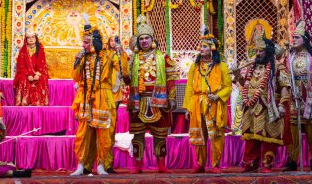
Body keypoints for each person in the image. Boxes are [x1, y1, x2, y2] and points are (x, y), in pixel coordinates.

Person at [70, 17, 130, 176]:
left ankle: (103, 165)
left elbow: (124, 72)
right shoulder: (84, 57)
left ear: (95, 42)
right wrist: (77, 61)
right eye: (83, 42)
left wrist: (120, 53)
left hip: (104, 96)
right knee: (83, 134)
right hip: (86, 98)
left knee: (104, 134)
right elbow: (76, 77)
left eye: (86, 42)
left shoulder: (109, 56)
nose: (83, 45)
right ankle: (82, 166)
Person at [233, 27, 291, 173]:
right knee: (251, 136)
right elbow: (244, 84)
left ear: (268, 52)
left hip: (269, 105)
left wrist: (283, 105)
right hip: (252, 106)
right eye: (256, 51)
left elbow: (285, 85)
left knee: (268, 136)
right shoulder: (252, 66)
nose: (257, 54)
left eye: (260, 51)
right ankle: (251, 164)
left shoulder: (277, 66)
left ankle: (267, 164)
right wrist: (237, 74)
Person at [128, 14, 179, 174]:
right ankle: (137, 166)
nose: (144, 41)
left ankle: (161, 166)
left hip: (159, 100)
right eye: (141, 38)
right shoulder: (133, 58)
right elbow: (126, 78)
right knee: (138, 135)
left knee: (160, 136)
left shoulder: (162, 57)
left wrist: (171, 97)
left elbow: (171, 78)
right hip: (138, 101)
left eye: (146, 38)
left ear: (152, 40)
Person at [183, 26, 232, 173]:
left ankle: (215, 164)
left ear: (212, 48)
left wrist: (218, 95)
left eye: (204, 46)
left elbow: (228, 87)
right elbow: (189, 88)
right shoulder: (195, 66)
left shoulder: (221, 66)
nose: (201, 49)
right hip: (197, 103)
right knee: (199, 135)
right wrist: (188, 108)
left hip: (215, 103)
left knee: (216, 134)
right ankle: (200, 164)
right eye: (201, 46)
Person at [284, 20, 312, 171]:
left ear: (305, 39)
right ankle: (292, 160)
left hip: (309, 98)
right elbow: (284, 78)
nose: (294, 40)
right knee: (293, 131)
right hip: (294, 98)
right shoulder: (289, 59)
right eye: (293, 37)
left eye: (297, 37)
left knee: (311, 131)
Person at [14, 29, 49, 106]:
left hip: (38, 72)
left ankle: (38, 102)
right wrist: (28, 74)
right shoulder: (22, 51)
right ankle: (25, 102)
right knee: (23, 79)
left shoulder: (40, 50)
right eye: (29, 37)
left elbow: (42, 64)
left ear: (36, 39)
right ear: (26, 40)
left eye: (33, 37)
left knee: (42, 79)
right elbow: (21, 66)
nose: (31, 39)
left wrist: (38, 74)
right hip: (26, 73)